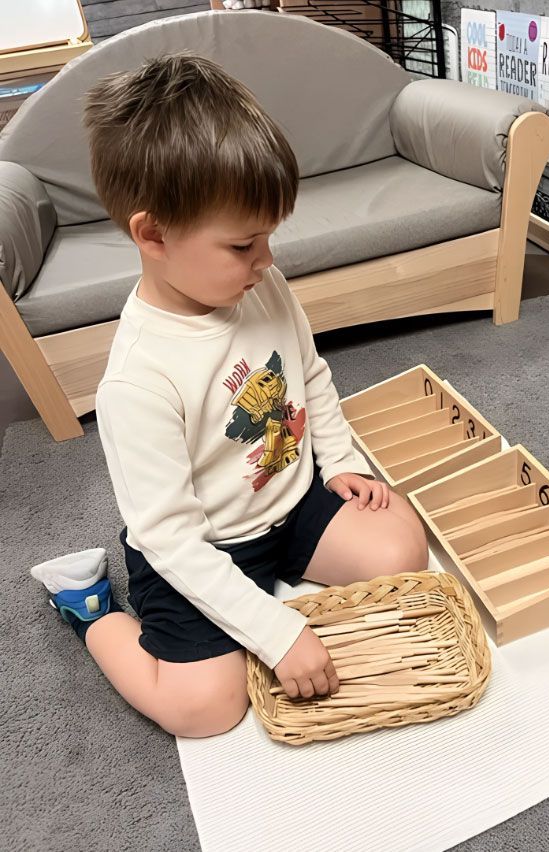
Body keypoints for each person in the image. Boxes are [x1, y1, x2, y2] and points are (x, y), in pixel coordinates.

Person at [30, 53, 429, 739]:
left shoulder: (260, 285)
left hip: (290, 501)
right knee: (203, 710)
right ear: (152, 235)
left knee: (400, 546)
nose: (267, 261)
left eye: (268, 237)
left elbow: (310, 375)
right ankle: (91, 611)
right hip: (202, 549)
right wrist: (274, 633)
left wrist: (339, 464)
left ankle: (287, 563)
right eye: (244, 244)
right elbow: (170, 538)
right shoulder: (138, 380)